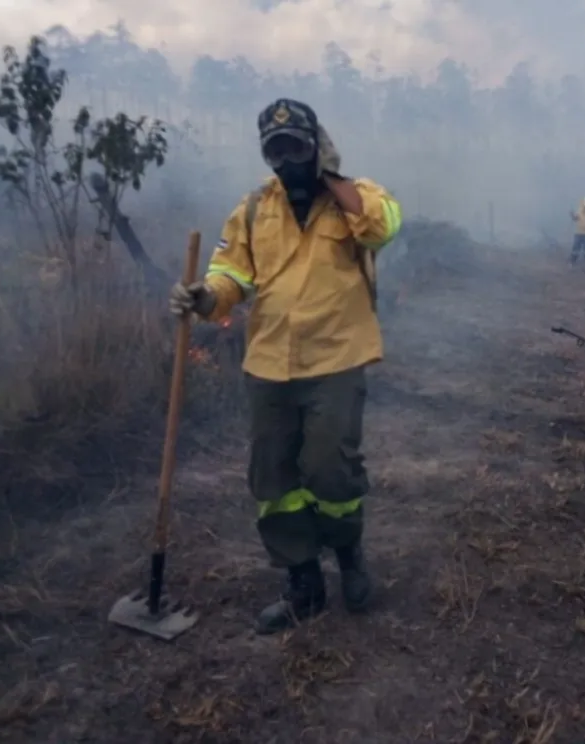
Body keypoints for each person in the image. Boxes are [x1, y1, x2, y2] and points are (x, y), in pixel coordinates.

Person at [169, 98, 403, 635]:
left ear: (316, 145)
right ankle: (303, 582)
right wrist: (206, 296)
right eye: (276, 150)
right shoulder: (253, 209)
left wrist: (331, 176)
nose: (286, 159)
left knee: (330, 470)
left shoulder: (357, 197)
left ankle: (349, 558)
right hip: (270, 363)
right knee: (273, 478)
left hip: (336, 358)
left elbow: (381, 228)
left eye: (297, 146)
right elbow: (232, 274)